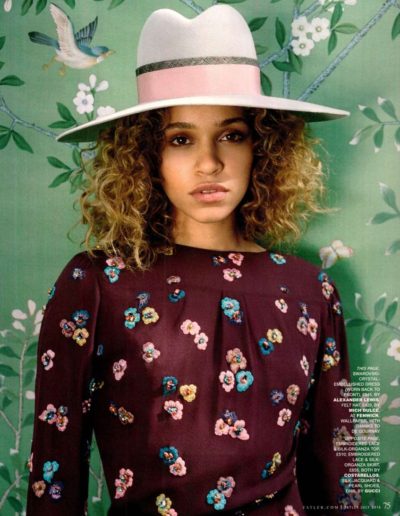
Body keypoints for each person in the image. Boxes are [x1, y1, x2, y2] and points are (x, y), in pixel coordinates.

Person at [26, 4, 362, 515]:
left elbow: (338, 477)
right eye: (180, 139)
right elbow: (55, 476)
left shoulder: (311, 292)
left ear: (263, 147)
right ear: (146, 155)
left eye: (232, 135)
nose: (210, 163)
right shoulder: (97, 283)